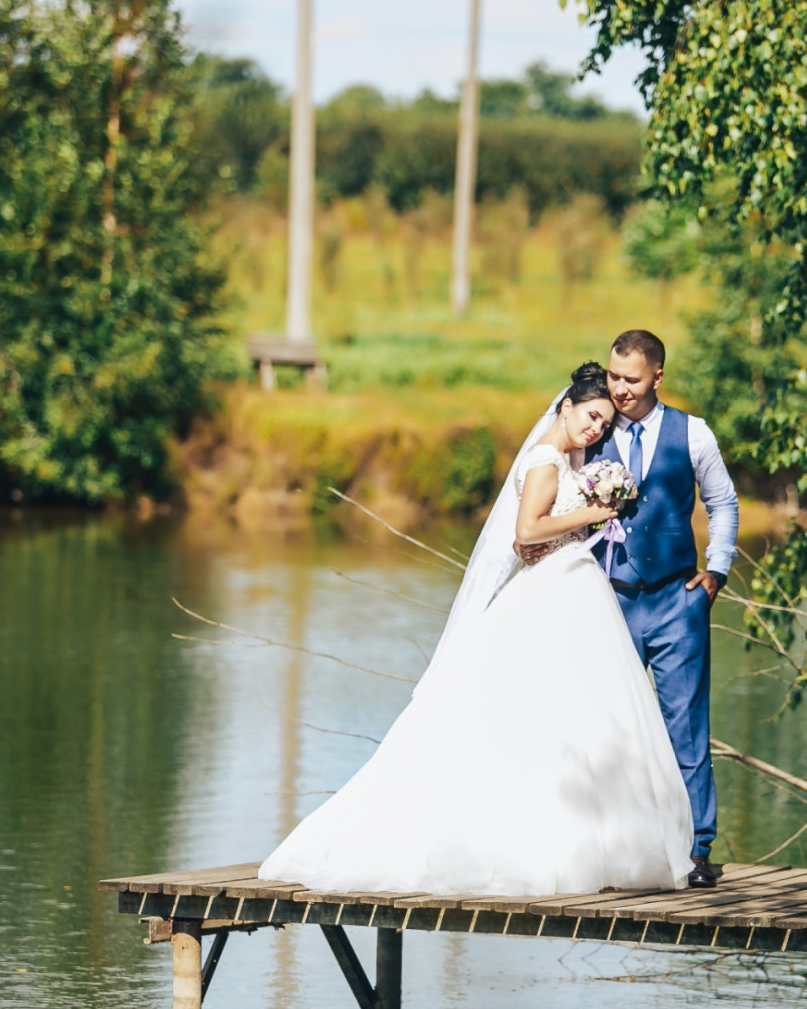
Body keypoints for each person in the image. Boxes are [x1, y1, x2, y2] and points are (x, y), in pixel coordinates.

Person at [258, 363, 694, 897]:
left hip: (572, 586)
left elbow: (532, 536)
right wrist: (593, 514)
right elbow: (528, 529)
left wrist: (584, 514)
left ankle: (579, 841)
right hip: (554, 589)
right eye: (592, 417)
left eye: (604, 423)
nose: (597, 430)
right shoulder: (543, 460)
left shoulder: (567, 460)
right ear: (566, 407)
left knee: (575, 716)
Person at [525, 329, 738, 888]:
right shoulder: (587, 429)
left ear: (657, 377)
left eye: (631, 379)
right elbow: (545, 495)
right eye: (615, 377)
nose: (619, 390)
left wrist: (715, 572)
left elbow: (722, 501)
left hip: (676, 599)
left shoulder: (693, 434)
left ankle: (696, 852)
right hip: (607, 599)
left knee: (685, 729)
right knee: (603, 728)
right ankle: (605, 850)